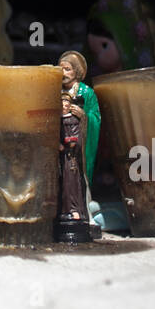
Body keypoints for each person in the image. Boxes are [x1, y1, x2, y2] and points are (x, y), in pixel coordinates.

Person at [58, 50, 100, 188]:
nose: (63, 73)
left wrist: (83, 116)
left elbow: (96, 118)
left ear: (77, 71)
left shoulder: (87, 93)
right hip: (60, 142)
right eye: (61, 69)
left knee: (77, 176)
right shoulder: (55, 91)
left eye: (68, 69)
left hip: (78, 144)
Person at [58, 92, 90, 221]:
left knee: (70, 184)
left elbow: (75, 138)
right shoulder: (59, 120)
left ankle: (74, 210)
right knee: (62, 185)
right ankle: (64, 210)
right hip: (60, 158)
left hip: (69, 157)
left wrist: (65, 145)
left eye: (66, 104)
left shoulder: (72, 120)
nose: (64, 106)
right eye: (62, 104)